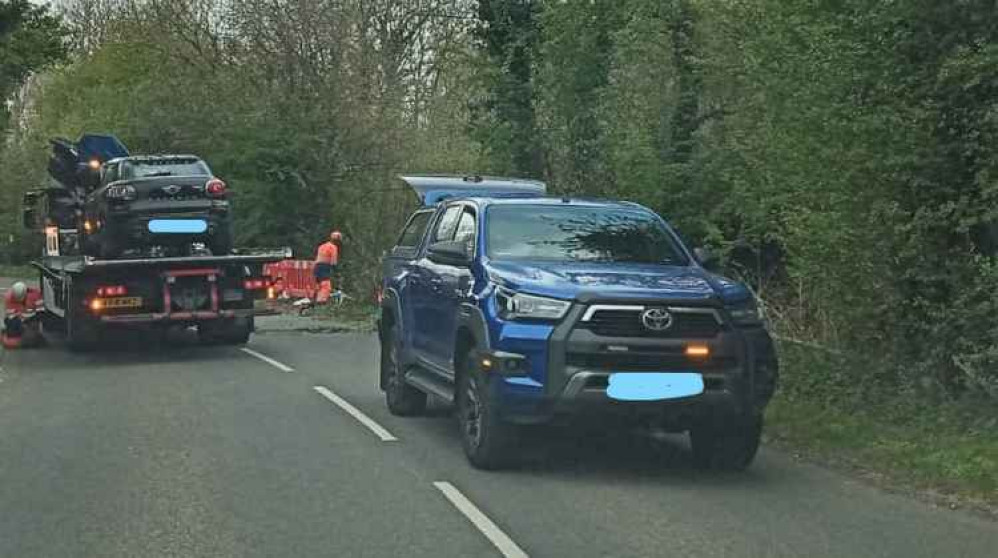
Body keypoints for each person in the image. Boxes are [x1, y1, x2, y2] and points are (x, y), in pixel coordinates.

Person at [2, 282, 44, 349]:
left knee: (34, 339)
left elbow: (41, 312)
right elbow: (10, 316)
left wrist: (33, 326)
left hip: (31, 320)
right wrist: (21, 325)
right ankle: (12, 337)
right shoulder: (8, 297)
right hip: (17, 322)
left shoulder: (36, 295)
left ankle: (29, 338)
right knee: (11, 323)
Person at [313, 230, 342, 304]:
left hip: (317, 267)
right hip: (324, 267)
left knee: (319, 286)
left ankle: (315, 301)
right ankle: (321, 302)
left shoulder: (322, 246)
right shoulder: (333, 247)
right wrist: (337, 273)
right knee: (326, 286)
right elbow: (333, 262)